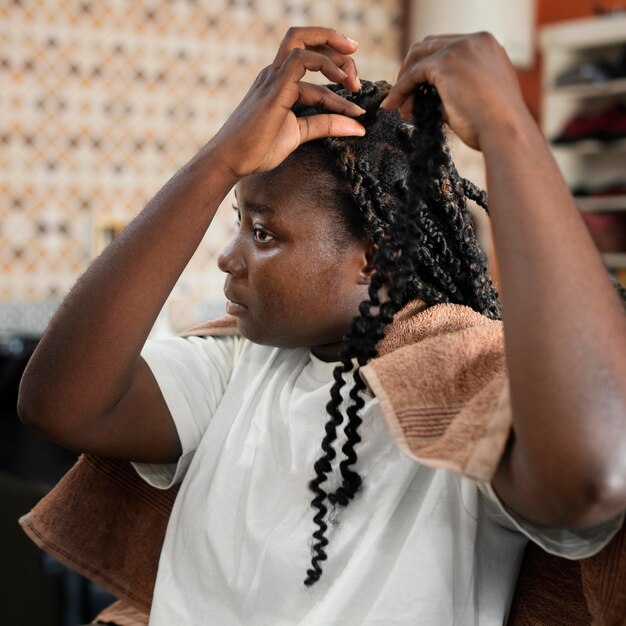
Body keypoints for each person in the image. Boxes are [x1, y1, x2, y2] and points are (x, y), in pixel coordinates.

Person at [17, 26, 626, 625]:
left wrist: (507, 129)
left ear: (375, 259)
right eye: (239, 222)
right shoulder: (238, 367)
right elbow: (61, 404)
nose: (229, 257)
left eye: (262, 232)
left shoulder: (467, 390)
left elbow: (596, 477)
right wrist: (219, 159)